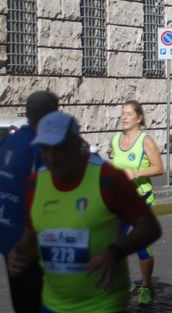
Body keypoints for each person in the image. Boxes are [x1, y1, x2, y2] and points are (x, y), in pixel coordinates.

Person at [8, 111, 162, 312]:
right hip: (52, 304)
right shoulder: (35, 183)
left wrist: (114, 252)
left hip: (101, 305)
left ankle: (145, 286)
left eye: (59, 148)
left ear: (75, 144)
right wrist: (18, 253)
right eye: (46, 149)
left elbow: (150, 228)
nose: (52, 157)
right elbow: (31, 236)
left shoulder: (108, 179)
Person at [0, 91, 59, 312]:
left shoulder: (7, 143)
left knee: (22, 302)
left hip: (8, 242)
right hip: (32, 246)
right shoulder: (40, 149)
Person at [110, 100, 164, 305]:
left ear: (139, 118)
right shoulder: (116, 140)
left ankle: (146, 286)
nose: (123, 117)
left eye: (128, 113)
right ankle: (126, 282)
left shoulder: (145, 141)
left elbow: (159, 168)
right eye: (122, 113)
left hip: (142, 201)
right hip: (119, 201)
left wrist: (136, 172)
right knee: (115, 242)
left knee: (141, 246)